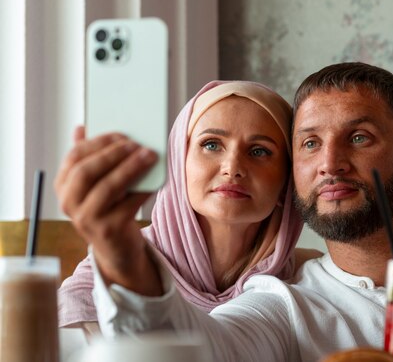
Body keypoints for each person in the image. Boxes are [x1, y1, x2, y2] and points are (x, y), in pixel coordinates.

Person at [55, 62, 393, 361]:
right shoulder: (283, 301)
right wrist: (119, 247)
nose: (330, 163)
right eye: (310, 143)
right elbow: (204, 350)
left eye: (358, 137)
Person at [56, 80, 310, 333]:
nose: (232, 168)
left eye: (259, 151)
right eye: (211, 144)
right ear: (179, 162)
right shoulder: (108, 274)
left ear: (287, 181)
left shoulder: (307, 280)